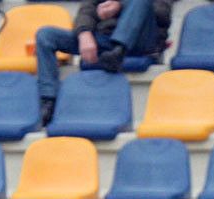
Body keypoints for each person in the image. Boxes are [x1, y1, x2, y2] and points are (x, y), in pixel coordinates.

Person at [35, 0, 173, 126]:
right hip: (105, 40)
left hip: (142, 41)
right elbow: (86, 10)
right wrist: (84, 33)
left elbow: (162, 13)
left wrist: (120, 6)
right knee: (46, 35)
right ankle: (48, 101)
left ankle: (119, 50)